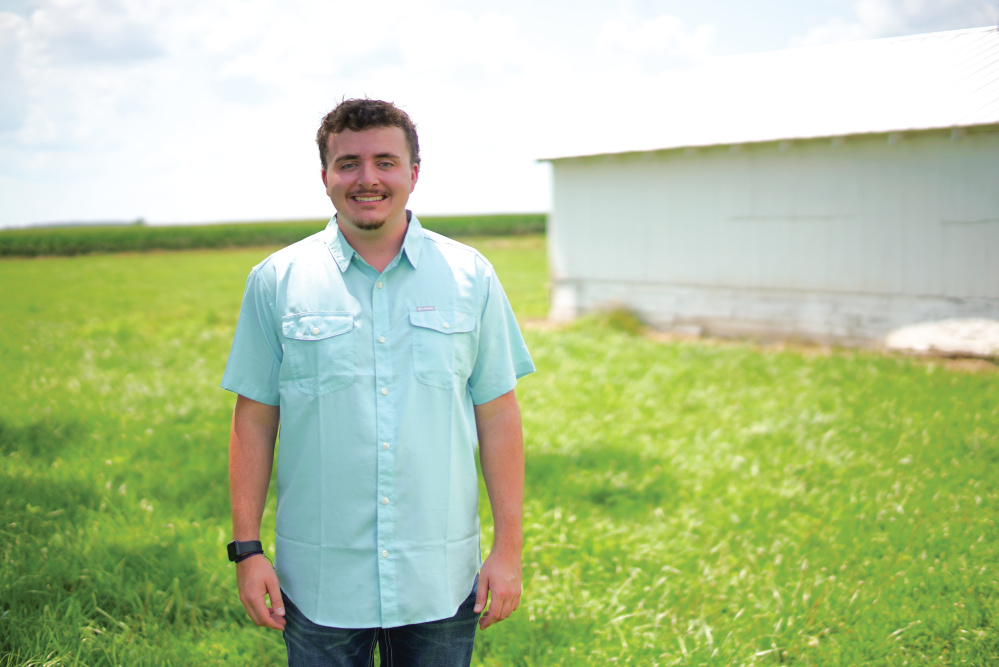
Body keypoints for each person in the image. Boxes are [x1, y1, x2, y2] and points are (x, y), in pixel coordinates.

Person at [221, 97, 535, 666]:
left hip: (439, 578)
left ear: (414, 173)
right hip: (317, 580)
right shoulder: (277, 280)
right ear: (324, 178)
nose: (367, 178)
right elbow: (254, 419)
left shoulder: (471, 277)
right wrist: (247, 552)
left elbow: (498, 416)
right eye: (348, 163)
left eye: (386, 162)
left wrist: (507, 551)